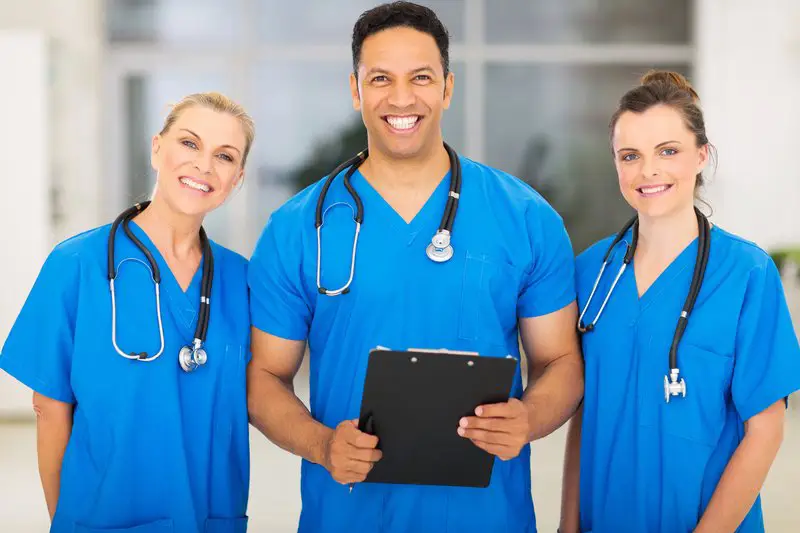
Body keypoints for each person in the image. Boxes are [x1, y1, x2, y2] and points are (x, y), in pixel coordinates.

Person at [246, 2, 583, 532]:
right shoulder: (295, 230)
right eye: (380, 78)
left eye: (420, 77)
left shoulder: (524, 218)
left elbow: (561, 360)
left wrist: (529, 418)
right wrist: (322, 444)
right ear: (356, 90)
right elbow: (265, 376)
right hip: (348, 515)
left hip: (486, 517)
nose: (401, 98)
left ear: (447, 87)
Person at [0, 92, 255, 533]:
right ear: (158, 148)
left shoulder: (241, 279)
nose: (204, 166)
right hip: (102, 518)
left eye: (225, 156)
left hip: (210, 518)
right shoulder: (78, 263)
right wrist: (68, 519)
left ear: (238, 177)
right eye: (189, 144)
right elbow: (50, 409)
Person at [559, 71, 800, 533]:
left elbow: (765, 430)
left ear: (701, 156)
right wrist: (568, 526)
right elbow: (585, 413)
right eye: (630, 156)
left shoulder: (746, 273)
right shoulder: (592, 272)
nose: (648, 171)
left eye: (668, 151)